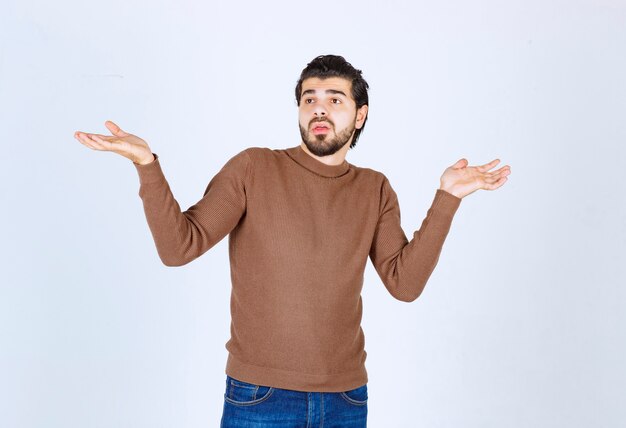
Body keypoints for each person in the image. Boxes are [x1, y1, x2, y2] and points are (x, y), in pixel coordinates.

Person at [75, 54, 511, 427]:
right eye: (309, 100)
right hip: (260, 396)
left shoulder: (374, 188)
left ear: (360, 115)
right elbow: (178, 247)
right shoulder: (253, 169)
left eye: (334, 100)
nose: (319, 110)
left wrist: (448, 197)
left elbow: (404, 284)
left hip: (347, 399)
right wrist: (147, 165)